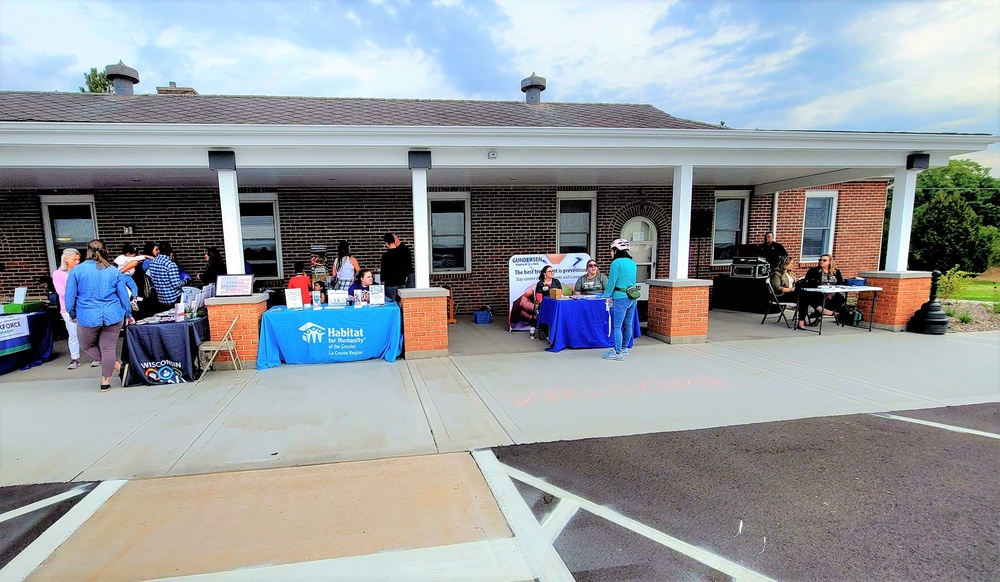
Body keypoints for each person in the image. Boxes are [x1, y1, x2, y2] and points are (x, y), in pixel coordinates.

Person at [65, 239, 132, 391]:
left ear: (87, 251)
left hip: (88, 315)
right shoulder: (114, 271)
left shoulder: (77, 271)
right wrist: (128, 313)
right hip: (113, 314)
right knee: (108, 348)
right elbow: (123, 296)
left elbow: (70, 297)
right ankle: (106, 381)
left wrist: (72, 313)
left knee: (87, 345)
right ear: (105, 250)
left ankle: (119, 368)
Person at [603, 239, 638, 361]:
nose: (610, 253)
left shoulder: (616, 263)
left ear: (616, 250)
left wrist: (607, 295)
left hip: (620, 297)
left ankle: (617, 353)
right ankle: (624, 348)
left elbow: (612, 281)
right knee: (628, 325)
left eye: (611, 250)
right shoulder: (632, 262)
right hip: (632, 297)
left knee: (617, 326)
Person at [797, 253, 846, 330]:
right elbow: (809, 282)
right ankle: (820, 311)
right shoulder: (813, 271)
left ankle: (819, 314)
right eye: (820, 260)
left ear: (830, 262)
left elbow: (840, 283)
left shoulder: (836, 272)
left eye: (824, 260)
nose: (821, 261)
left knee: (841, 298)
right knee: (806, 297)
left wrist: (832, 291)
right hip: (818, 292)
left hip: (832, 293)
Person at [52, 248, 82, 370]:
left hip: (83, 306)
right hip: (67, 308)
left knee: (89, 332)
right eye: (74, 259)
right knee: (73, 333)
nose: (77, 261)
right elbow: (61, 292)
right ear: (66, 259)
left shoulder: (79, 271)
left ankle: (94, 356)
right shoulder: (58, 274)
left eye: (78, 259)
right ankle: (75, 358)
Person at [146, 241, 185, 309]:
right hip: (174, 298)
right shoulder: (170, 264)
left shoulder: (152, 263)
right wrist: (185, 281)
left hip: (161, 299)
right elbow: (176, 285)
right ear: (169, 251)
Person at [529, 266, 563, 339]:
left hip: (556, 304)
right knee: (548, 312)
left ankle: (559, 333)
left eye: (553, 271)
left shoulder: (556, 281)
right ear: (544, 273)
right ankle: (547, 333)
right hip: (545, 305)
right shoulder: (540, 283)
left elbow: (561, 293)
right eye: (550, 271)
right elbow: (539, 297)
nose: (552, 272)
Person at [380, 233, 412, 302]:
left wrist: (382, 282)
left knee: (392, 304)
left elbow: (383, 271)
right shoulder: (403, 253)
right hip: (402, 282)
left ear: (386, 243)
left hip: (390, 284)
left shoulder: (385, 256)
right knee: (402, 304)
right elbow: (407, 267)